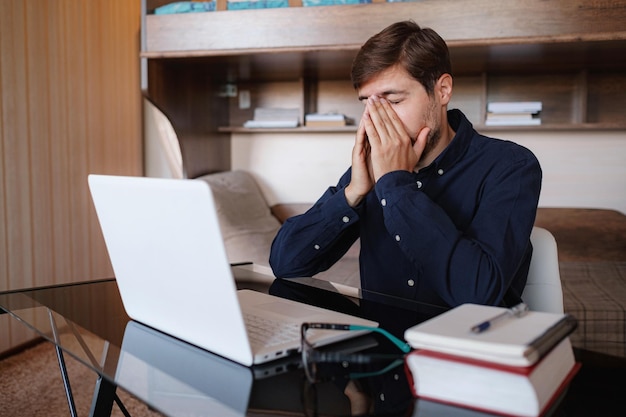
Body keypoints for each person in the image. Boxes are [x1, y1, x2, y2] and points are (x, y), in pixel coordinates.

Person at [269, 20, 542, 309]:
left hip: (466, 347)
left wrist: (396, 185)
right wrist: (353, 193)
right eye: (368, 105)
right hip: (384, 346)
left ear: (442, 90)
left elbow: (477, 292)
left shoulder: (511, 166)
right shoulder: (369, 169)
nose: (377, 120)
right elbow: (286, 263)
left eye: (393, 101)